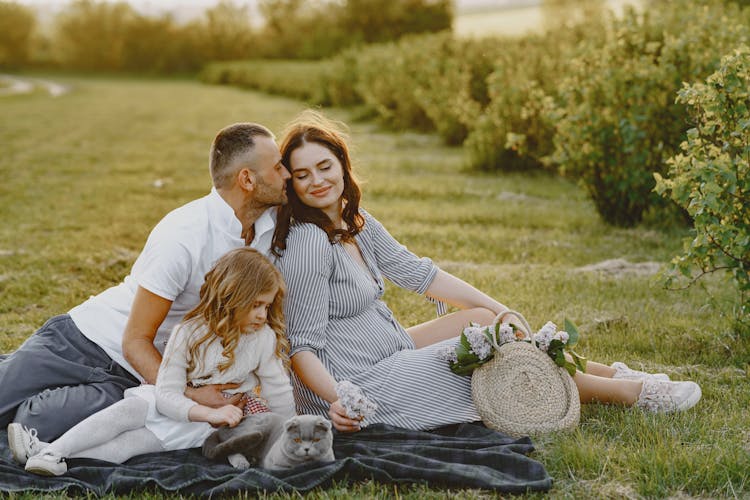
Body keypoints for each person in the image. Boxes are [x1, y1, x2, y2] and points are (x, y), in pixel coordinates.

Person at [271, 110, 702, 433]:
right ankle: (631, 395)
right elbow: (302, 348)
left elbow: (419, 273)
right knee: (485, 352)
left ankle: (612, 372)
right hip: (362, 381)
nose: (316, 182)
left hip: (391, 350)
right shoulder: (309, 241)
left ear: (342, 164)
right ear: (292, 185)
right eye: (303, 175)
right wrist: (340, 399)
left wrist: (504, 310)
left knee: (484, 323)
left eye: (324, 167)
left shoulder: (353, 220)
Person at [0, 122, 291, 443]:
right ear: (247, 179)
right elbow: (135, 340)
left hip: (129, 378)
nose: (287, 175)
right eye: (277, 167)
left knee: (36, 424)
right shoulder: (184, 235)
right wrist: (190, 395)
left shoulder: (266, 229)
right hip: (83, 342)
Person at [10, 247, 295, 476]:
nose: (262, 315)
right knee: (123, 414)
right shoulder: (188, 334)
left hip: (201, 427)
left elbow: (277, 388)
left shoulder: (262, 338)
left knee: (127, 447)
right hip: (170, 401)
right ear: (231, 298)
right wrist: (205, 411)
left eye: (267, 306)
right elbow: (167, 391)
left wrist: (289, 429)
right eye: (256, 305)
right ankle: (52, 451)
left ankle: (46, 457)